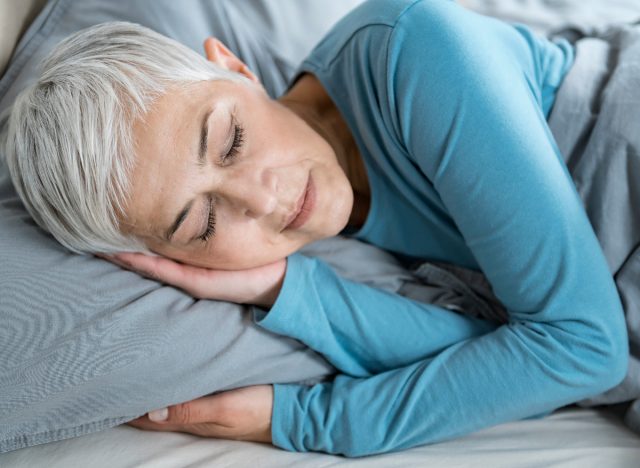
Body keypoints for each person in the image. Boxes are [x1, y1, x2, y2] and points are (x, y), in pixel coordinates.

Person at [4, 0, 633, 457]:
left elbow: (582, 349)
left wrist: (310, 420)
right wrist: (282, 290)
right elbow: (504, 352)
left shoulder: (415, 52)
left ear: (237, 69)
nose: (261, 199)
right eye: (201, 223)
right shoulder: (335, 251)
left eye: (231, 142)